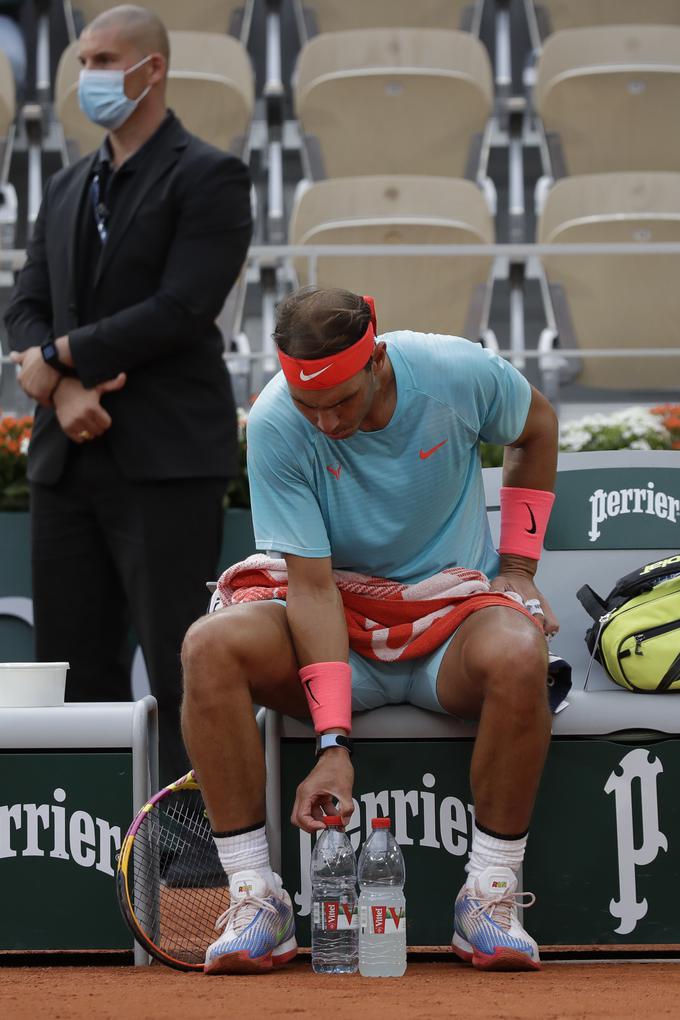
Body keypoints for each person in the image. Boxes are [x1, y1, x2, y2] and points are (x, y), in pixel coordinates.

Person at [181, 287, 560, 975]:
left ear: (377, 362)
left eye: (341, 403)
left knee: (519, 650)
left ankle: (490, 898)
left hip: (450, 625)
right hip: (336, 626)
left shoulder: (455, 373)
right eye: (309, 406)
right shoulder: (273, 422)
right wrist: (333, 744)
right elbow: (314, 587)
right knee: (209, 647)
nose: (324, 422)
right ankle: (254, 898)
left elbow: (537, 426)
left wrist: (519, 567)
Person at [5, 5, 252, 785]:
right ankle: (88, 844)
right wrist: (63, 388)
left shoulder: (211, 175)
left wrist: (57, 358)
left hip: (169, 459)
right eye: (84, 60)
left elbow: (182, 307)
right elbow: (25, 299)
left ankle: (192, 850)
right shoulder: (68, 183)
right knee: (73, 675)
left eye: (106, 59)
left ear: (153, 69)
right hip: (67, 465)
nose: (91, 77)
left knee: (185, 669)